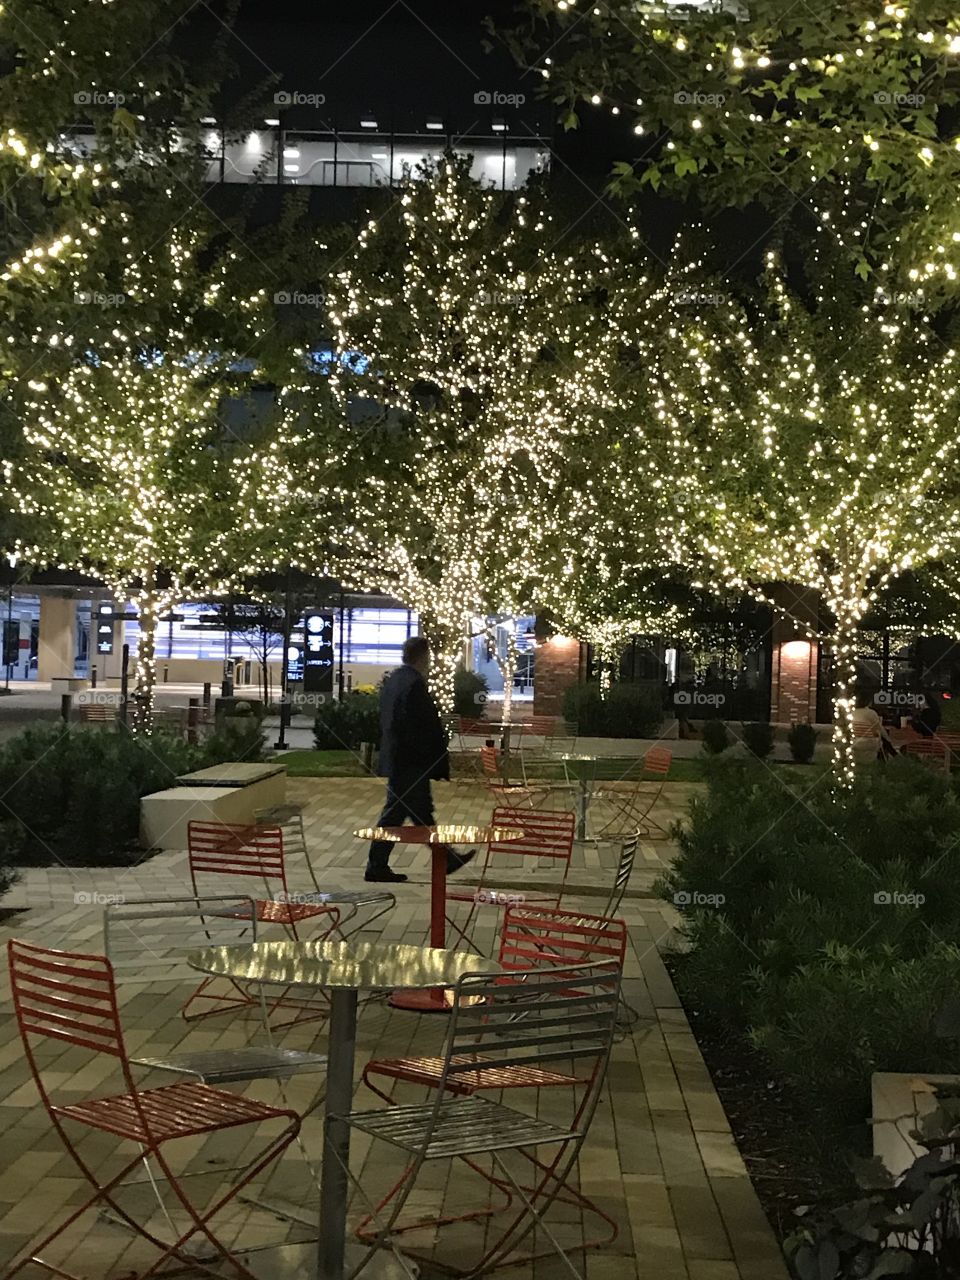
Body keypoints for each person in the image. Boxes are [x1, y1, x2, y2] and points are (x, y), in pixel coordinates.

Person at [365, 636, 475, 884]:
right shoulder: (413, 684)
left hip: (401, 761)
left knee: (417, 812)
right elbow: (418, 727)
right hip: (410, 763)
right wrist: (431, 754)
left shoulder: (395, 680)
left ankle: (445, 858)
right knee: (397, 814)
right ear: (422, 656)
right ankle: (377, 865)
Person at [852, 689, 898, 761]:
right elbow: (878, 729)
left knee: (882, 738)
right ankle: (893, 757)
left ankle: (893, 756)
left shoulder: (851, 712)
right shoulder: (870, 713)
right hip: (868, 741)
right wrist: (888, 739)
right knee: (883, 738)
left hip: (855, 739)